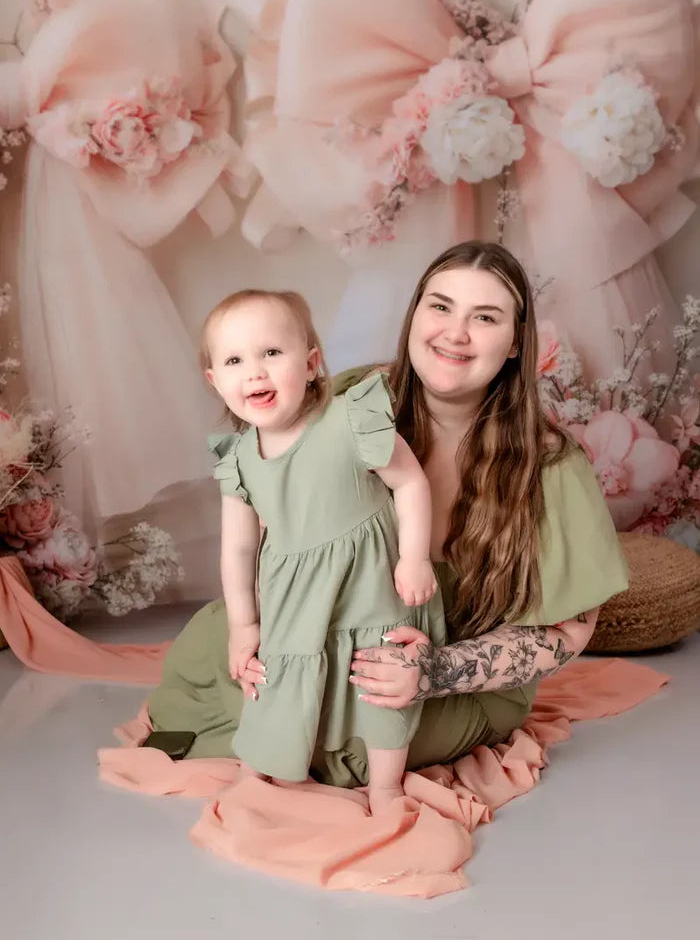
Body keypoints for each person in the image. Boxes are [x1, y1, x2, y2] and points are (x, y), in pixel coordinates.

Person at [147, 241, 628, 790]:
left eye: (486, 317)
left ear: (516, 342)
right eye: (440, 306)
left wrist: (434, 673)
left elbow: (569, 632)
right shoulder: (354, 397)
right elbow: (267, 474)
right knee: (220, 642)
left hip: (452, 668)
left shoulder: (550, 461)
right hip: (337, 623)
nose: (455, 333)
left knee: (354, 737)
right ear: (414, 315)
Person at [199, 288, 445, 814]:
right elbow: (239, 551)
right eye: (236, 360)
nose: (256, 372)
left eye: (272, 353)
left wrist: (414, 557)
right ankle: (262, 769)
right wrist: (244, 627)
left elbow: (409, 483)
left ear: (311, 364)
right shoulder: (240, 460)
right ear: (216, 382)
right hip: (293, 597)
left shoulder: (349, 420)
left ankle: (386, 786)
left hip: (371, 582)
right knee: (275, 678)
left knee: (379, 676)